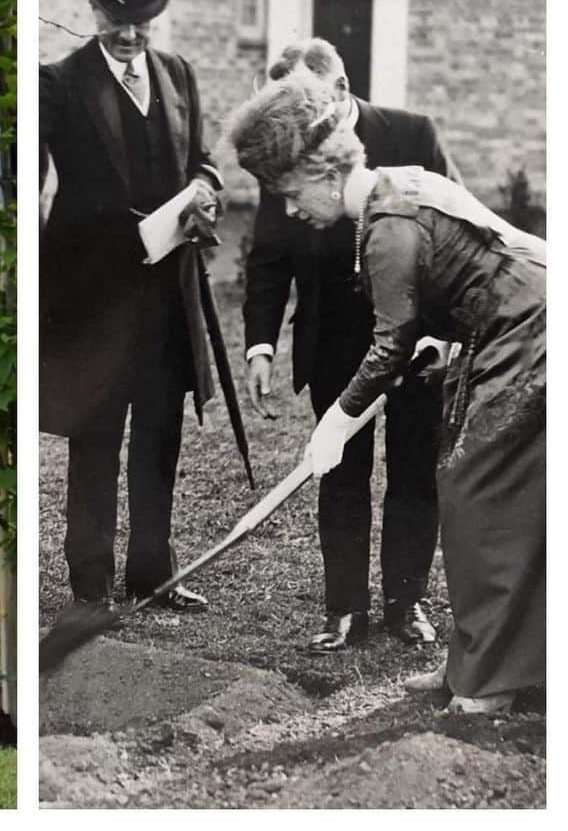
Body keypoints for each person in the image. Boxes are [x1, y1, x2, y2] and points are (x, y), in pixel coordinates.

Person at [228, 74, 545, 712]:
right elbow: (460, 273)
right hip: (507, 327)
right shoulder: (394, 187)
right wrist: (445, 335)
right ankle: (475, 666)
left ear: (320, 173)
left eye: (290, 195)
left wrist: (333, 426)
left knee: (481, 500)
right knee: (479, 499)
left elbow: (390, 343)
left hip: (533, 333)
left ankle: (493, 683)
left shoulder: (386, 223)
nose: (290, 212)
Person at [242, 38, 453, 651]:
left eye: (308, 103)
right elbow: (268, 254)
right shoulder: (288, 150)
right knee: (339, 470)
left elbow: (451, 226)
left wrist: (438, 332)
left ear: (340, 87)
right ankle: (345, 612)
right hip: (333, 340)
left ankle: (405, 602)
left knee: (414, 471)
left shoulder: (413, 133)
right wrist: (260, 345)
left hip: (416, 343)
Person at [39, 0, 223, 615]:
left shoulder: (179, 76)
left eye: (142, 20)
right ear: (95, 9)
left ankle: (153, 573)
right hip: (93, 297)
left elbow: (201, 161)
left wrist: (207, 189)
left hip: (165, 298)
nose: (130, 34)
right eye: (117, 18)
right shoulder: (59, 84)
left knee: (158, 436)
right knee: (96, 441)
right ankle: (90, 586)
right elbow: (34, 184)